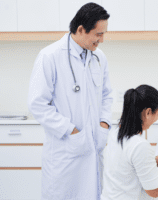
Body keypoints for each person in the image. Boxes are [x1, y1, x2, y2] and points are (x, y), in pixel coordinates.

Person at [27, 3, 112, 199]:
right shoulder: (49, 56)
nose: (102, 39)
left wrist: (104, 124)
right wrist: (71, 131)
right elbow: (38, 104)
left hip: (93, 147)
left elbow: (107, 95)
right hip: (66, 152)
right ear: (81, 30)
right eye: (98, 34)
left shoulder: (99, 57)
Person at [101, 85, 158, 199]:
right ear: (148, 112)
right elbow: (155, 191)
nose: (157, 116)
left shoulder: (116, 133)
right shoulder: (140, 145)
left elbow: (128, 167)